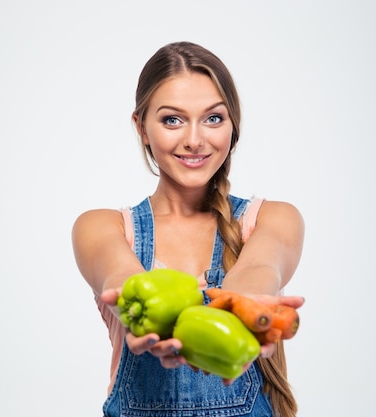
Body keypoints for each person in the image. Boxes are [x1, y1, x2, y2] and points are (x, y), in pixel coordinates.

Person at [72, 41, 305, 417]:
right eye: (172, 119)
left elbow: (258, 271)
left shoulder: (271, 219)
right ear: (142, 127)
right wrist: (145, 319)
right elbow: (122, 275)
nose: (194, 140)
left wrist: (245, 310)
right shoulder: (103, 227)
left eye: (213, 118)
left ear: (233, 125)